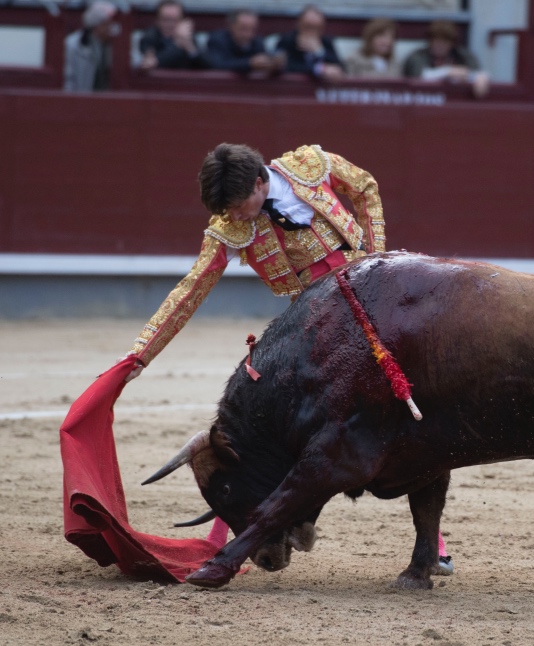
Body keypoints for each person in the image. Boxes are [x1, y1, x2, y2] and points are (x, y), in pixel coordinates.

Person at [124, 142, 454, 576]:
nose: (236, 218)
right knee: (269, 427)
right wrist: (141, 352)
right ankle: (239, 531)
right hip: (317, 325)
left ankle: (433, 544)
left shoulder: (310, 165)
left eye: (241, 206)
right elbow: (191, 289)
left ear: (261, 182)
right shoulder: (229, 227)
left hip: (377, 306)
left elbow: (366, 186)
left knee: (411, 411)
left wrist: (377, 261)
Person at [403, 20, 490, 99]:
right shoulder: (418, 56)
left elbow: (475, 72)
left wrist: (479, 77)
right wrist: (447, 72)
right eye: (436, 41)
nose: (440, 46)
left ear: (452, 43)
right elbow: (419, 76)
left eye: (444, 42)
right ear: (430, 41)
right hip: (423, 100)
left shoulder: (461, 55)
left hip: (454, 101)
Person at [275, 4, 345, 82]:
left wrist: (319, 51)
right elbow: (285, 66)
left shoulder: (326, 42)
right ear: (299, 24)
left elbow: (340, 67)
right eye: (308, 26)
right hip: (292, 88)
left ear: (322, 28)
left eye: (316, 28)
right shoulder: (287, 40)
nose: (311, 32)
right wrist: (320, 69)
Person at [63, 0, 120, 92]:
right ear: (97, 26)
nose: (111, 29)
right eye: (108, 24)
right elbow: (68, 80)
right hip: (81, 101)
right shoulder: (73, 45)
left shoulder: (116, 44)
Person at [205, 8, 283, 73]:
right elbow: (218, 65)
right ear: (231, 26)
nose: (248, 34)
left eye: (252, 29)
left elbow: (262, 64)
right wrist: (249, 63)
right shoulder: (217, 40)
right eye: (243, 29)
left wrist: (274, 65)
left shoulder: (257, 41)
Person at [138, 0, 208, 70]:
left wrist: (190, 48)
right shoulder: (150, 37)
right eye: (166, 19)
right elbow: (154, 63)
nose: (171, 24)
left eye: (175, 20)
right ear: (157, 20)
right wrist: (178, 45)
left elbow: (206, 67)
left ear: (182, 20)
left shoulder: (189, 38)